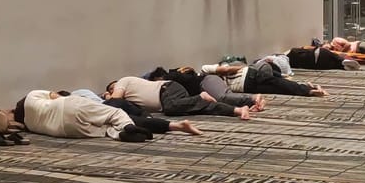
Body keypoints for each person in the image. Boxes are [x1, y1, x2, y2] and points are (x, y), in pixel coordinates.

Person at [0, 90, 201, 143]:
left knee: (108, 129)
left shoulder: (28, 126)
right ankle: (127, 128)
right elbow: (57, 96)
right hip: (69, 106)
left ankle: (121, 134)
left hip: (65, 130)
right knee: (117, 114)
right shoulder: (30, 97)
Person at [105, 76, 253, 120]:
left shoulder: (122, 81)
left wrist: (107, 96)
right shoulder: (130, 101)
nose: (113, 91)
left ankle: (200, 96)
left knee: (171, 108)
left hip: (167, 90)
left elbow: (115, 101)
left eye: (112, 88)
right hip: (172, 98)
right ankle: (239, 110)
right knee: (204, 108)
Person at [147, 66, 265, 112]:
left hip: (206, 82)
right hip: (208, 83)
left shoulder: (171, 77)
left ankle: (253, 97)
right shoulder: (175, 75)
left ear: (159, 78)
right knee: (225, 99)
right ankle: (253, 103)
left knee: (222, 97)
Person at [201, 62, 329, 97]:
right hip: (247, 78)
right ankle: (308, 89)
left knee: (277, 87)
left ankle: (308, 89)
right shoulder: (205, 70)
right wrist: (243, 67)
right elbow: (226, 70)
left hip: (245, 85)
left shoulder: (203, 80)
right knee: (278, 84)